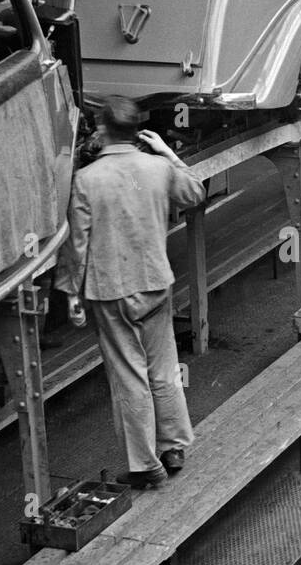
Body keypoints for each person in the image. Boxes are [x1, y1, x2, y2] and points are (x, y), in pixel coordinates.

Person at [55, 100, 206, 490]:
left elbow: (78, 242)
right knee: (164, 367)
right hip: (155, 281)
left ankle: (144, 464)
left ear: (101, 130)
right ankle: (173, 446)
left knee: (129, 376)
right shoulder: (157, 169)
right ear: (138, 132)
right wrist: (168, 152)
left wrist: (71, 292)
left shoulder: (86, 180)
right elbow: (195, 193)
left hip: (110, 290)